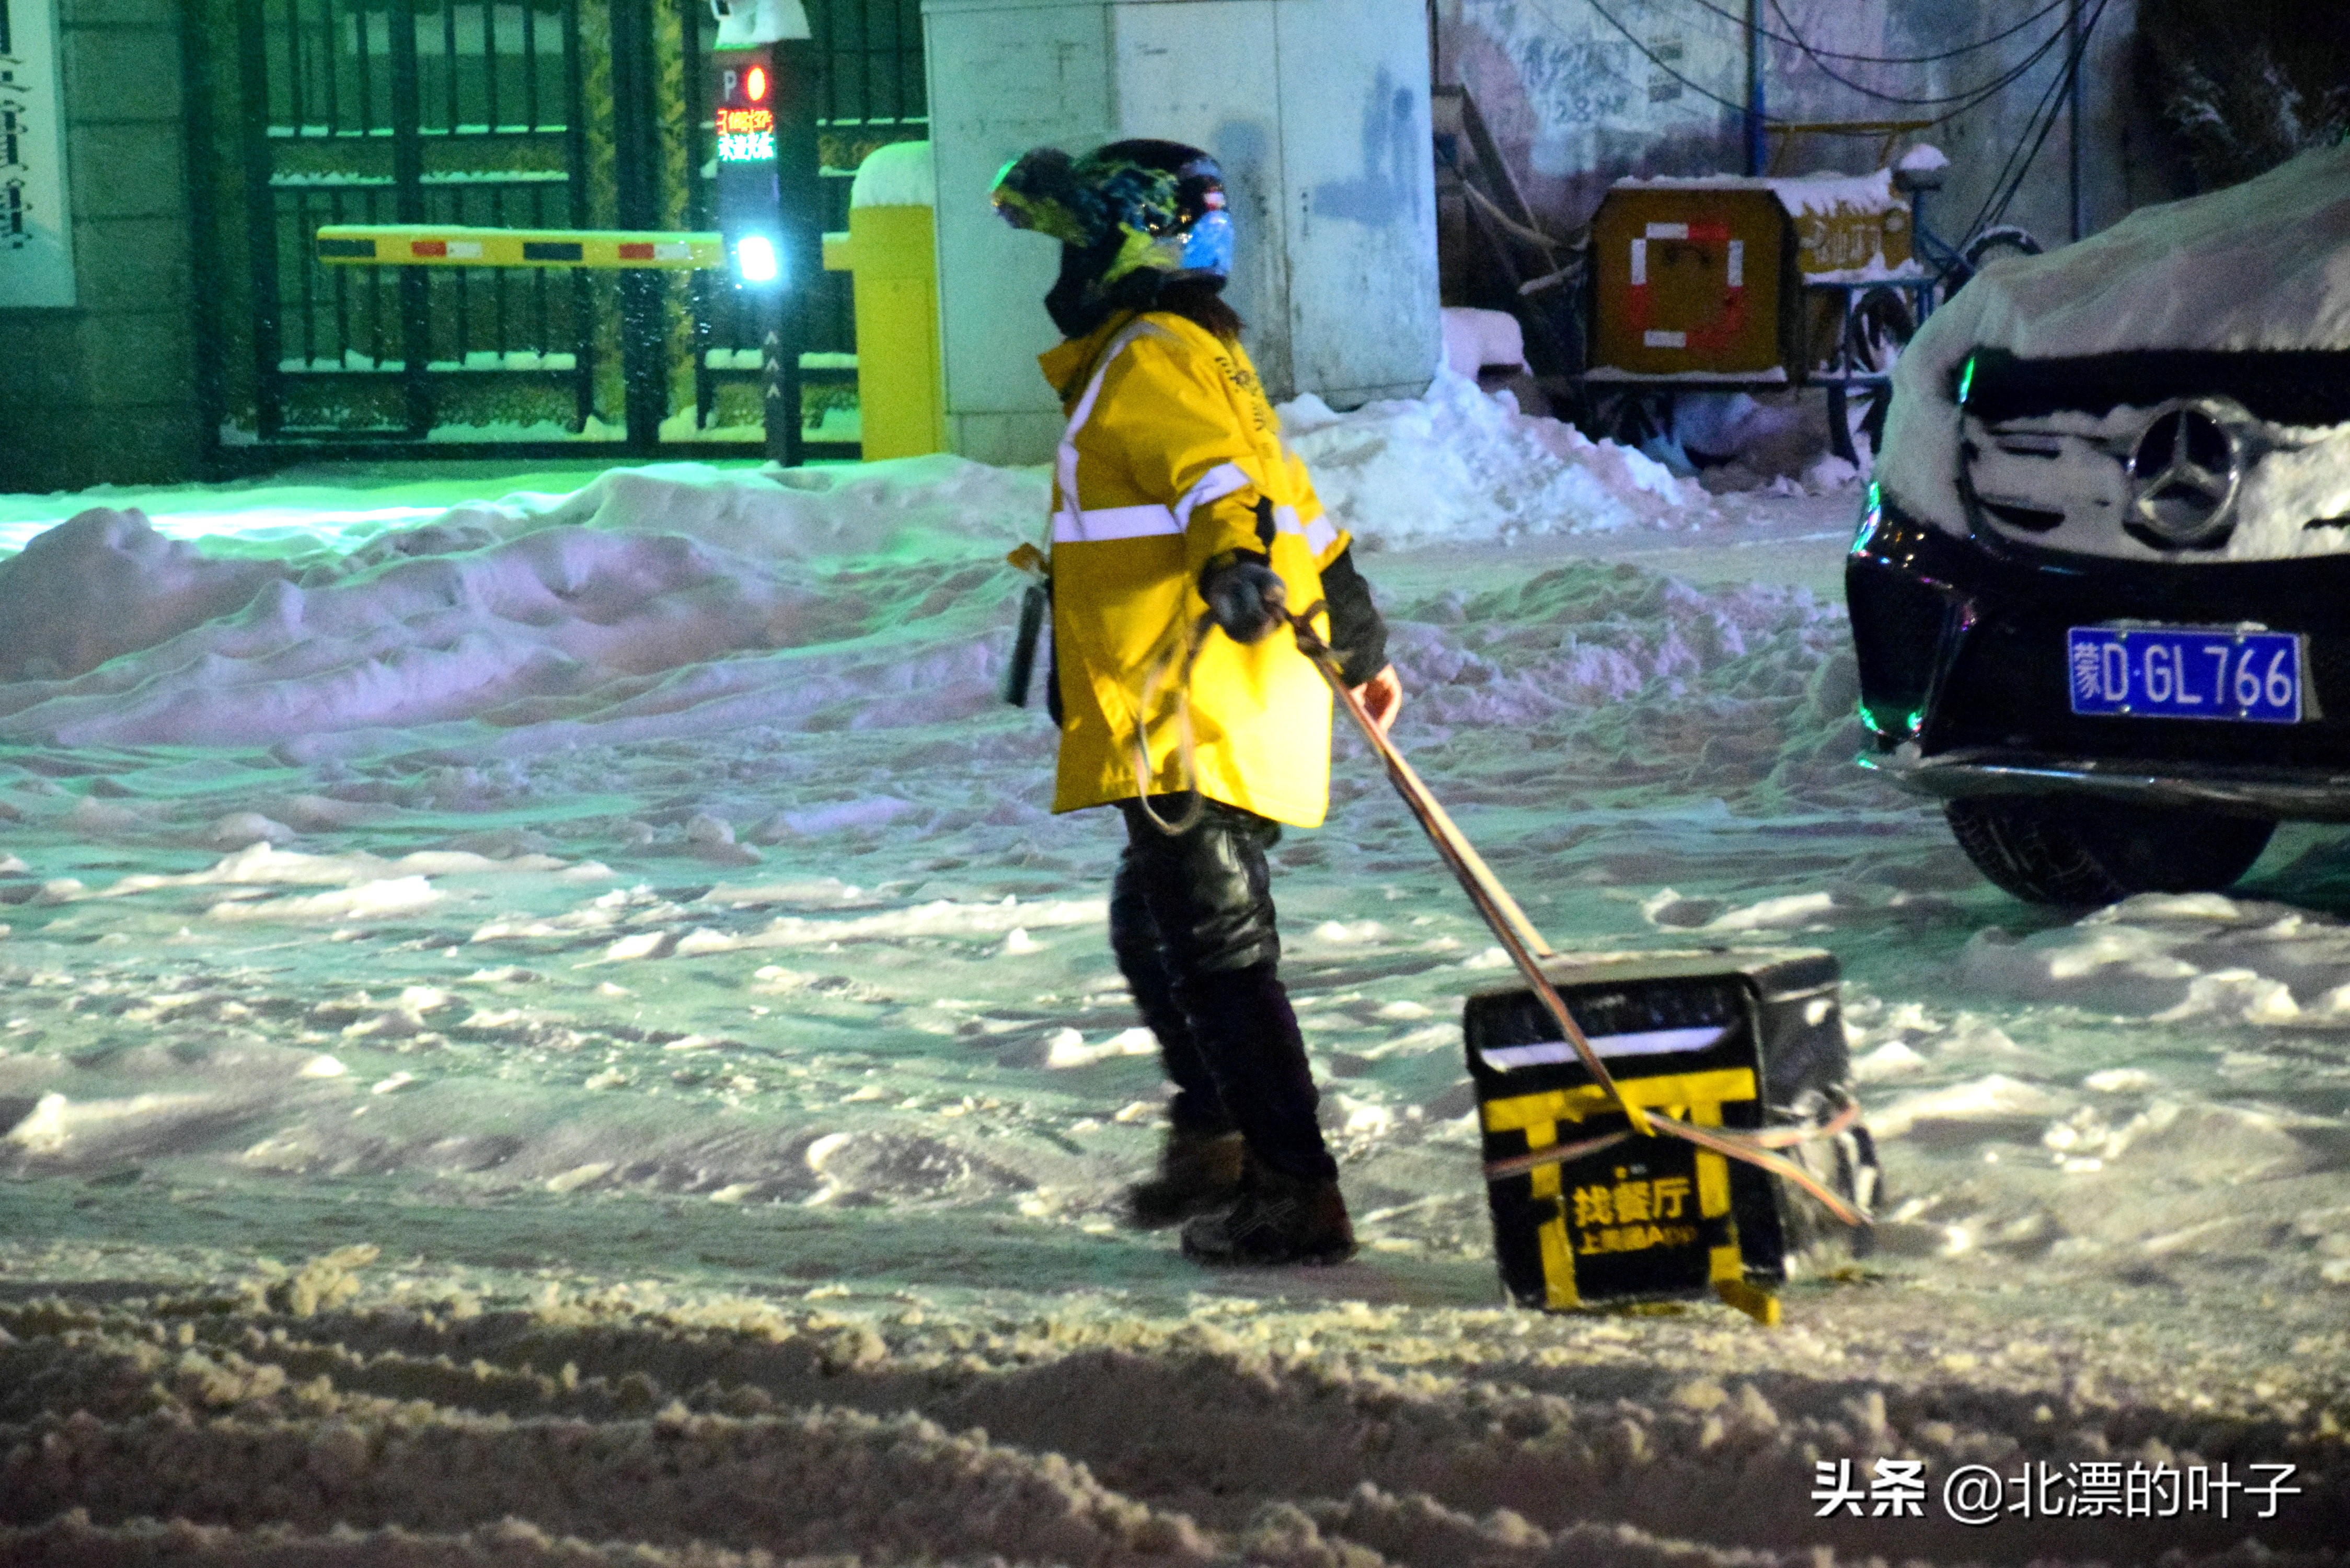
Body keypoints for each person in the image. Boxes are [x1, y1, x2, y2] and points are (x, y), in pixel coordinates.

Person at [991, 140, 1403, 1266]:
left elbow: (1221, 486)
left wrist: (1232, 568)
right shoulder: (1199, 353)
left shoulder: (1150, 358)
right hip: (1223, 686)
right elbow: (1295, 504)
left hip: (1191, 692)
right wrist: (1356, 630)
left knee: (1217, 949)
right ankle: (1218, 1133)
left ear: (1131, 245)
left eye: (1075, 241)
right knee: (1155, 921)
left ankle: (1293, 1188)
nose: (1060, 269)